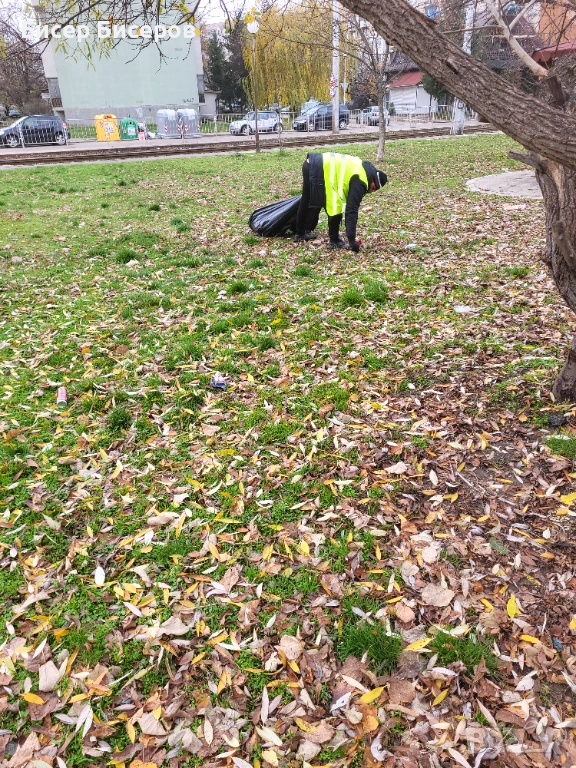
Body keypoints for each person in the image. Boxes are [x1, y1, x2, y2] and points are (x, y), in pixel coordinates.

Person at [294, 152, 387, 251]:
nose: (371, 191)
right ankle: (334, 241)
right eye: (373, 188)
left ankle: (300, 233)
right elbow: (351, 210)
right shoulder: (361, 180)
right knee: (335, 207)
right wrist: (352, 241)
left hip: (311, 163)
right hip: (319, 169)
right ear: (373, 180)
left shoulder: (364, 168)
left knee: (306, 200)